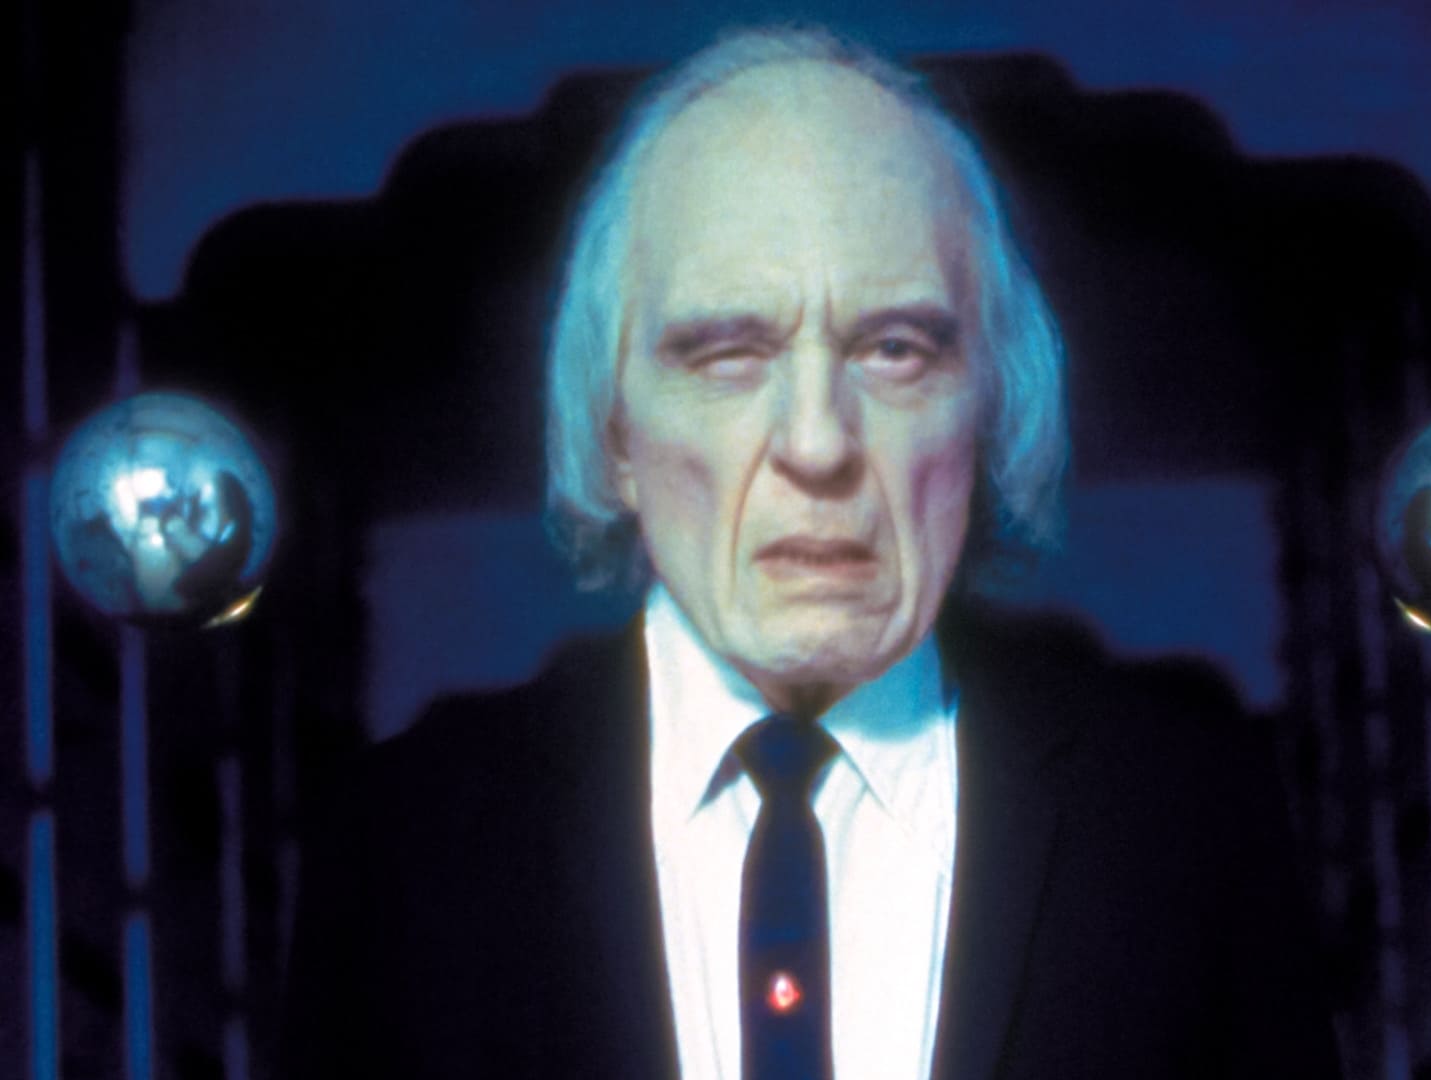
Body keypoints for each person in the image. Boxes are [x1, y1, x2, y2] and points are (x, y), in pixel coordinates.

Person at [283, 26, 1341, 1080]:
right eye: (728, 355)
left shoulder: (1192, 824)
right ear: (615, 436)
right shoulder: (399, 848)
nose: (818, 443)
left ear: (983, 412)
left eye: (895, 350)